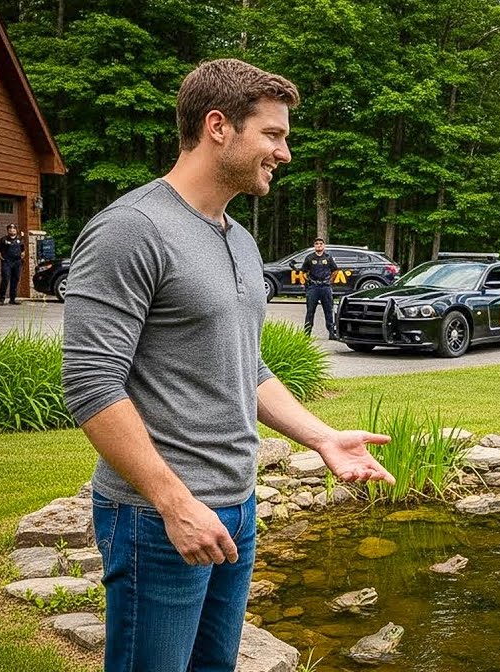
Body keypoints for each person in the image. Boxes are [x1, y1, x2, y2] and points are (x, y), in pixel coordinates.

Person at [62, 59, 395, 672]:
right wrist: (173, 501)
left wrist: (322, 437)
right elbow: (90, 384)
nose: (284, 152)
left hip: (237, 510)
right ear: (218, 127)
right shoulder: (130, 230)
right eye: (273, 134)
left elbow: (250, 366)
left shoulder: (239, 238)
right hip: (156, 519)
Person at [302, 237, 339, 339]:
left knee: (328, 310)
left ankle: (331, 333)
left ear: (324, 246)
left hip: (325, 287)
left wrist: (330, 281)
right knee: (310, 311)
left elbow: (335, 270)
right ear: (314, 246)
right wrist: (307, 281)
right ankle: (306, 334)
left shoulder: (328, 257)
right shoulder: (309, 258)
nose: (319, 245)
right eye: (317, 243)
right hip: (313, 287)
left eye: (321, 243)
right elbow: (303, 271)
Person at [0, 223, 24, 305]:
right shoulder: (3, 240)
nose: (12, 230)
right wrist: (2, 259)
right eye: (10, 229)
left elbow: (23, 250)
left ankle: (12, 299)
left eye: (14, 229)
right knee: (5, 279)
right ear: (7, 230)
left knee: (15, 280)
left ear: (16, 230)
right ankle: (1, 299)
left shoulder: (19, 240)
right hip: (7, 262)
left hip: (17, 262)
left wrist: (21, 257)